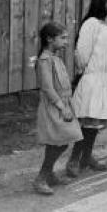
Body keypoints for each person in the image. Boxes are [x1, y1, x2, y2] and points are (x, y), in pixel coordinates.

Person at [66, 0, 107, 177]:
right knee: (87, 122)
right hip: (93, 79)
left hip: (106, 79)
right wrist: (87, 73)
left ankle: (87, 157)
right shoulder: (91, 23)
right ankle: (74, 159)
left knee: (95, 123)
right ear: (101, 3)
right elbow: (81, 53)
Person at [33, 22, 83, 195]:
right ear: (49, 39)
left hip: (63, 105)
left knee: (60, 141)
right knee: (59, 142)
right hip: (54, 107)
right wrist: (62, 107)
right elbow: (47, 88)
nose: (67, 42)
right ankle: (41, 178)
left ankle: (50, 174)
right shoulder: (44, 60)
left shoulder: (55, 58)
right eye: (62, 38)